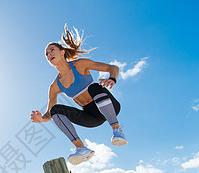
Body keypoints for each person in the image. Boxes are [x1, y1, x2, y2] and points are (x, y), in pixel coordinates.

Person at [30, 25, 128, 165]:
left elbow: (112, 68)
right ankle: (80, 148)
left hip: (109, 106)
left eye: (52, 50)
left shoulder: (80, 65)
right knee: (55, 110)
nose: (49, 54)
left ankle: (117, 130)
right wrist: (41, 119)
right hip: (92, 117)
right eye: (46, 54)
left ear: (62, 52)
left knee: (93, 87)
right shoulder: (55, 86)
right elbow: (49, 114)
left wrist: (112, 78)